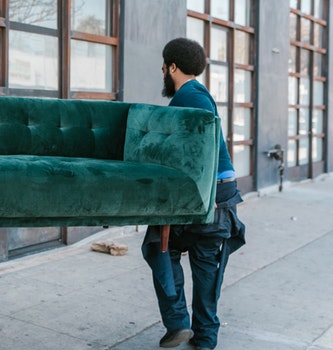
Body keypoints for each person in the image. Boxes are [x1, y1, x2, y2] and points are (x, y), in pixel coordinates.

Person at [142, 38, 246, 350]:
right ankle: (205, 338)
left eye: (164, 64)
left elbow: (200, 147)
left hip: (205, 193)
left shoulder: (190, 97)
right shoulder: (199, 94)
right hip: (221, 193)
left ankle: (177, 323)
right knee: (205, 264)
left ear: (172, 66)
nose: (161, 70)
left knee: (157, 247)